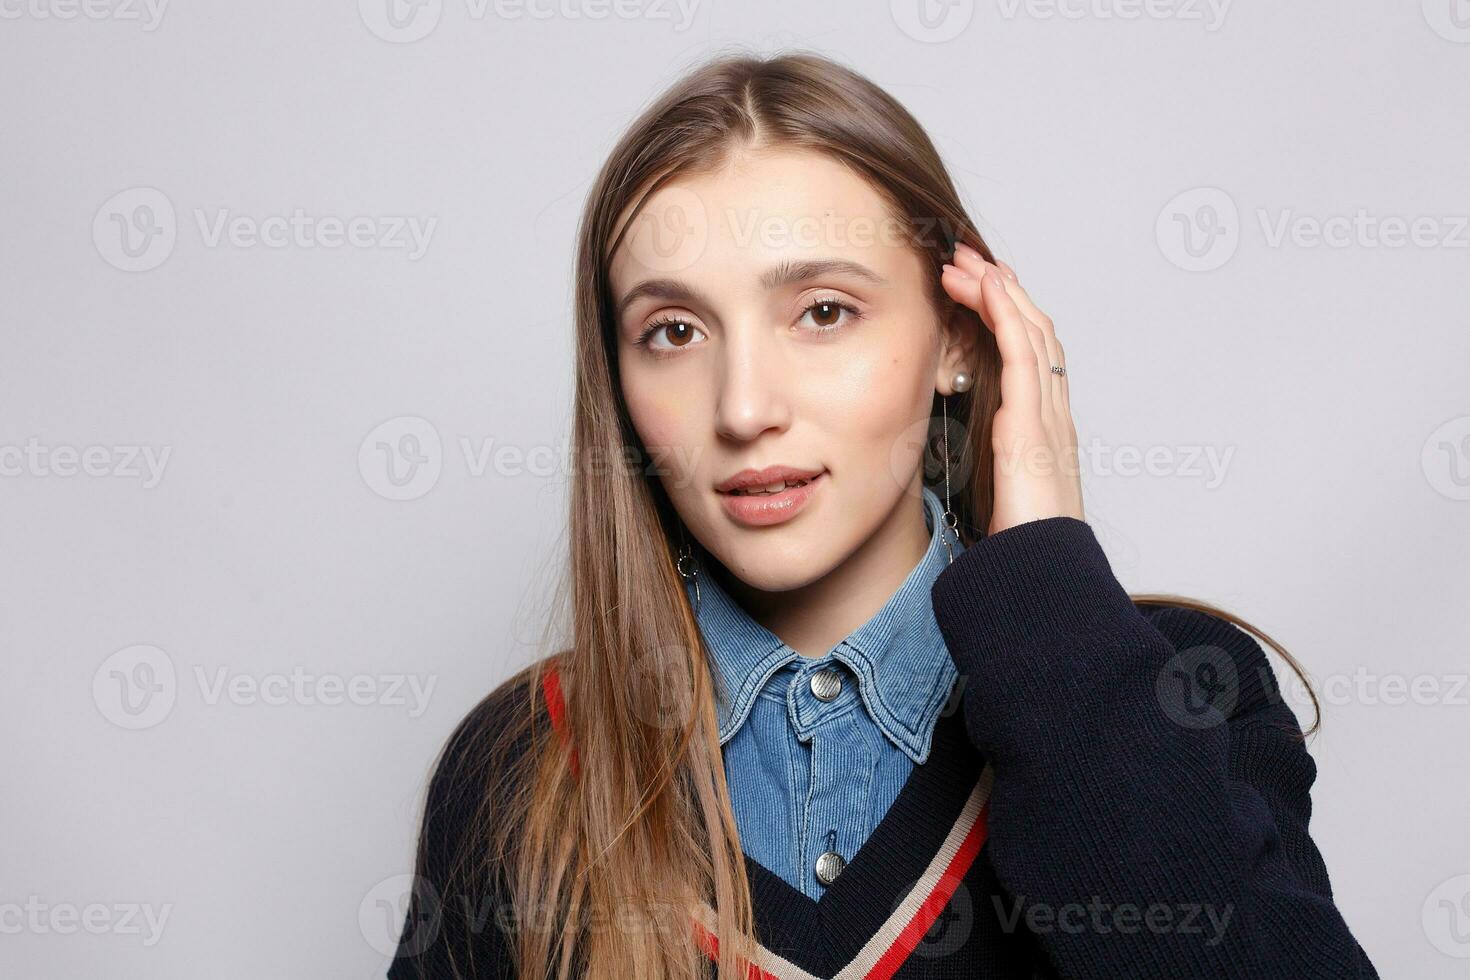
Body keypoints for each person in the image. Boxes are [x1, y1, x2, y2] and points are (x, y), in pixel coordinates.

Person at [387, 50, 1378, 979]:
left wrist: (1045, 584)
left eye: (823, 311)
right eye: (674, 330)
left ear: (958, 336)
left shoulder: (1177, 688)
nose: (742, 408)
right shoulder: (522, 762)